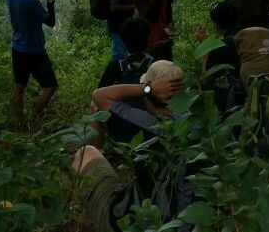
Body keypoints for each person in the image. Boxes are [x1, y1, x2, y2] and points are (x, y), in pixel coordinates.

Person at [79, 61, 190, 227]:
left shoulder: (144, 123)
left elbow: (99, 96)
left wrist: (147, 88)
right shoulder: (200, 125)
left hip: (135, 223)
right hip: (186, 221)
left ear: (150, 95)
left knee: (85, 152)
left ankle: (89, 217)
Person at [7, 0, 58, 127]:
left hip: (17, 48)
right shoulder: (32, 2)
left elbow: (24, 2)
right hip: (34, 51)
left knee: (19, 86)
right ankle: (35, 113)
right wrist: (50, 0)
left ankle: (18, 121)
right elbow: (50, 22)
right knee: (50, 85)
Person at [98, 16, 155, 89]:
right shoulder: (157, 65)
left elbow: (98, 95)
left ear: (123, 42)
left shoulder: (115, 67)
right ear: (149, 41)